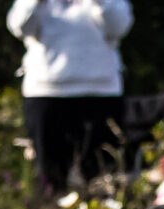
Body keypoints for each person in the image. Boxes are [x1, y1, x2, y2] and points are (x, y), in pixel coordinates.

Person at [9, 0, 129, 195]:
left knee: (102, 176)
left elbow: (120, 26)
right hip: (46, 93)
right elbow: (19, 27)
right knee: (50, 178)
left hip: (100, 93)